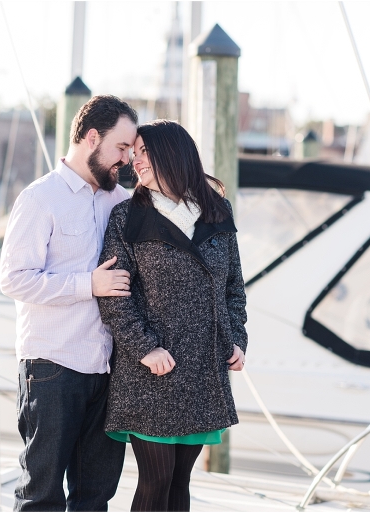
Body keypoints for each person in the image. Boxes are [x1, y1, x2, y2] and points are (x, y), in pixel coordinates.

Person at [97, 120, 248, 512]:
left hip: (203, 371)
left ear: (173, 154)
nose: (135, 161)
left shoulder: (217, 211)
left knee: (181, 480)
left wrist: (237, 340)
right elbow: (114, 296)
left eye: (145, 152)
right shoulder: (126, 217)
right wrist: (145, 348)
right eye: (134, 152)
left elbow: (233, 287)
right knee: (156, 480)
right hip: (151, 372)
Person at [0, 95, 138, 511]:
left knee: (95, 498)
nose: (127, 159)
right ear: (91, 138)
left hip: (108, 369)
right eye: (121, 147)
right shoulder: (40, 198)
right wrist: (87, 285)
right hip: (52, 367)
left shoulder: (120, 201)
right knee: (41, 496)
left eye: (130, 150)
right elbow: (13, 278)